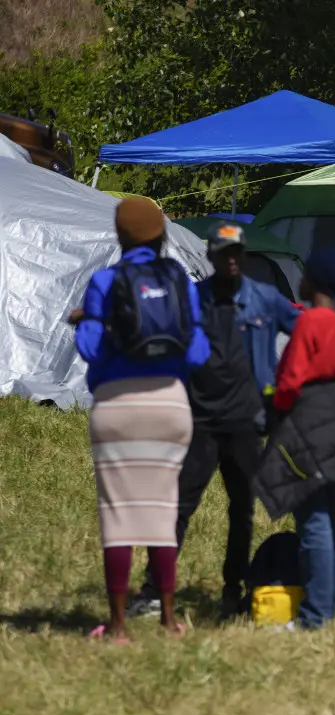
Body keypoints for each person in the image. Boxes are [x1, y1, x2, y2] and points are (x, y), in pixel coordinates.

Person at [129, 223, 301, 619]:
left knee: (241, 509)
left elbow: (305, 332)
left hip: (246, 422)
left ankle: (234, 588)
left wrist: (289, 387)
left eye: (237, 252)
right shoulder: (191, 300)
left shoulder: (264, 298)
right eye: (224, 253)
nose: (231, 259)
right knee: (177, 507)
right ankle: (155, 591)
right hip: (199, 421)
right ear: (211, 256)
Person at [71, 197, 210, 641]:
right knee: (162, 510)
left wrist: (90, 323)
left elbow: (90, 349)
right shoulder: (180, 283)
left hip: (116, 406)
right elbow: (199, 352)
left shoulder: (105, 282)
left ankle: (117, 626)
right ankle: (169, 620)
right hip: (170, 406)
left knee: (118, 515)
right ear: (161, 233)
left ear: (120, 235)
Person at [254, 250, 335, 630]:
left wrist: (269, 408)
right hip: (334, 414)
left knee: (312, 522)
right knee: (331, 518)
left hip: (304, 417)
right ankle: (334, 607)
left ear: (314, 283)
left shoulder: (308, 323)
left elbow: (290, 381)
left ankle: (314, 615)